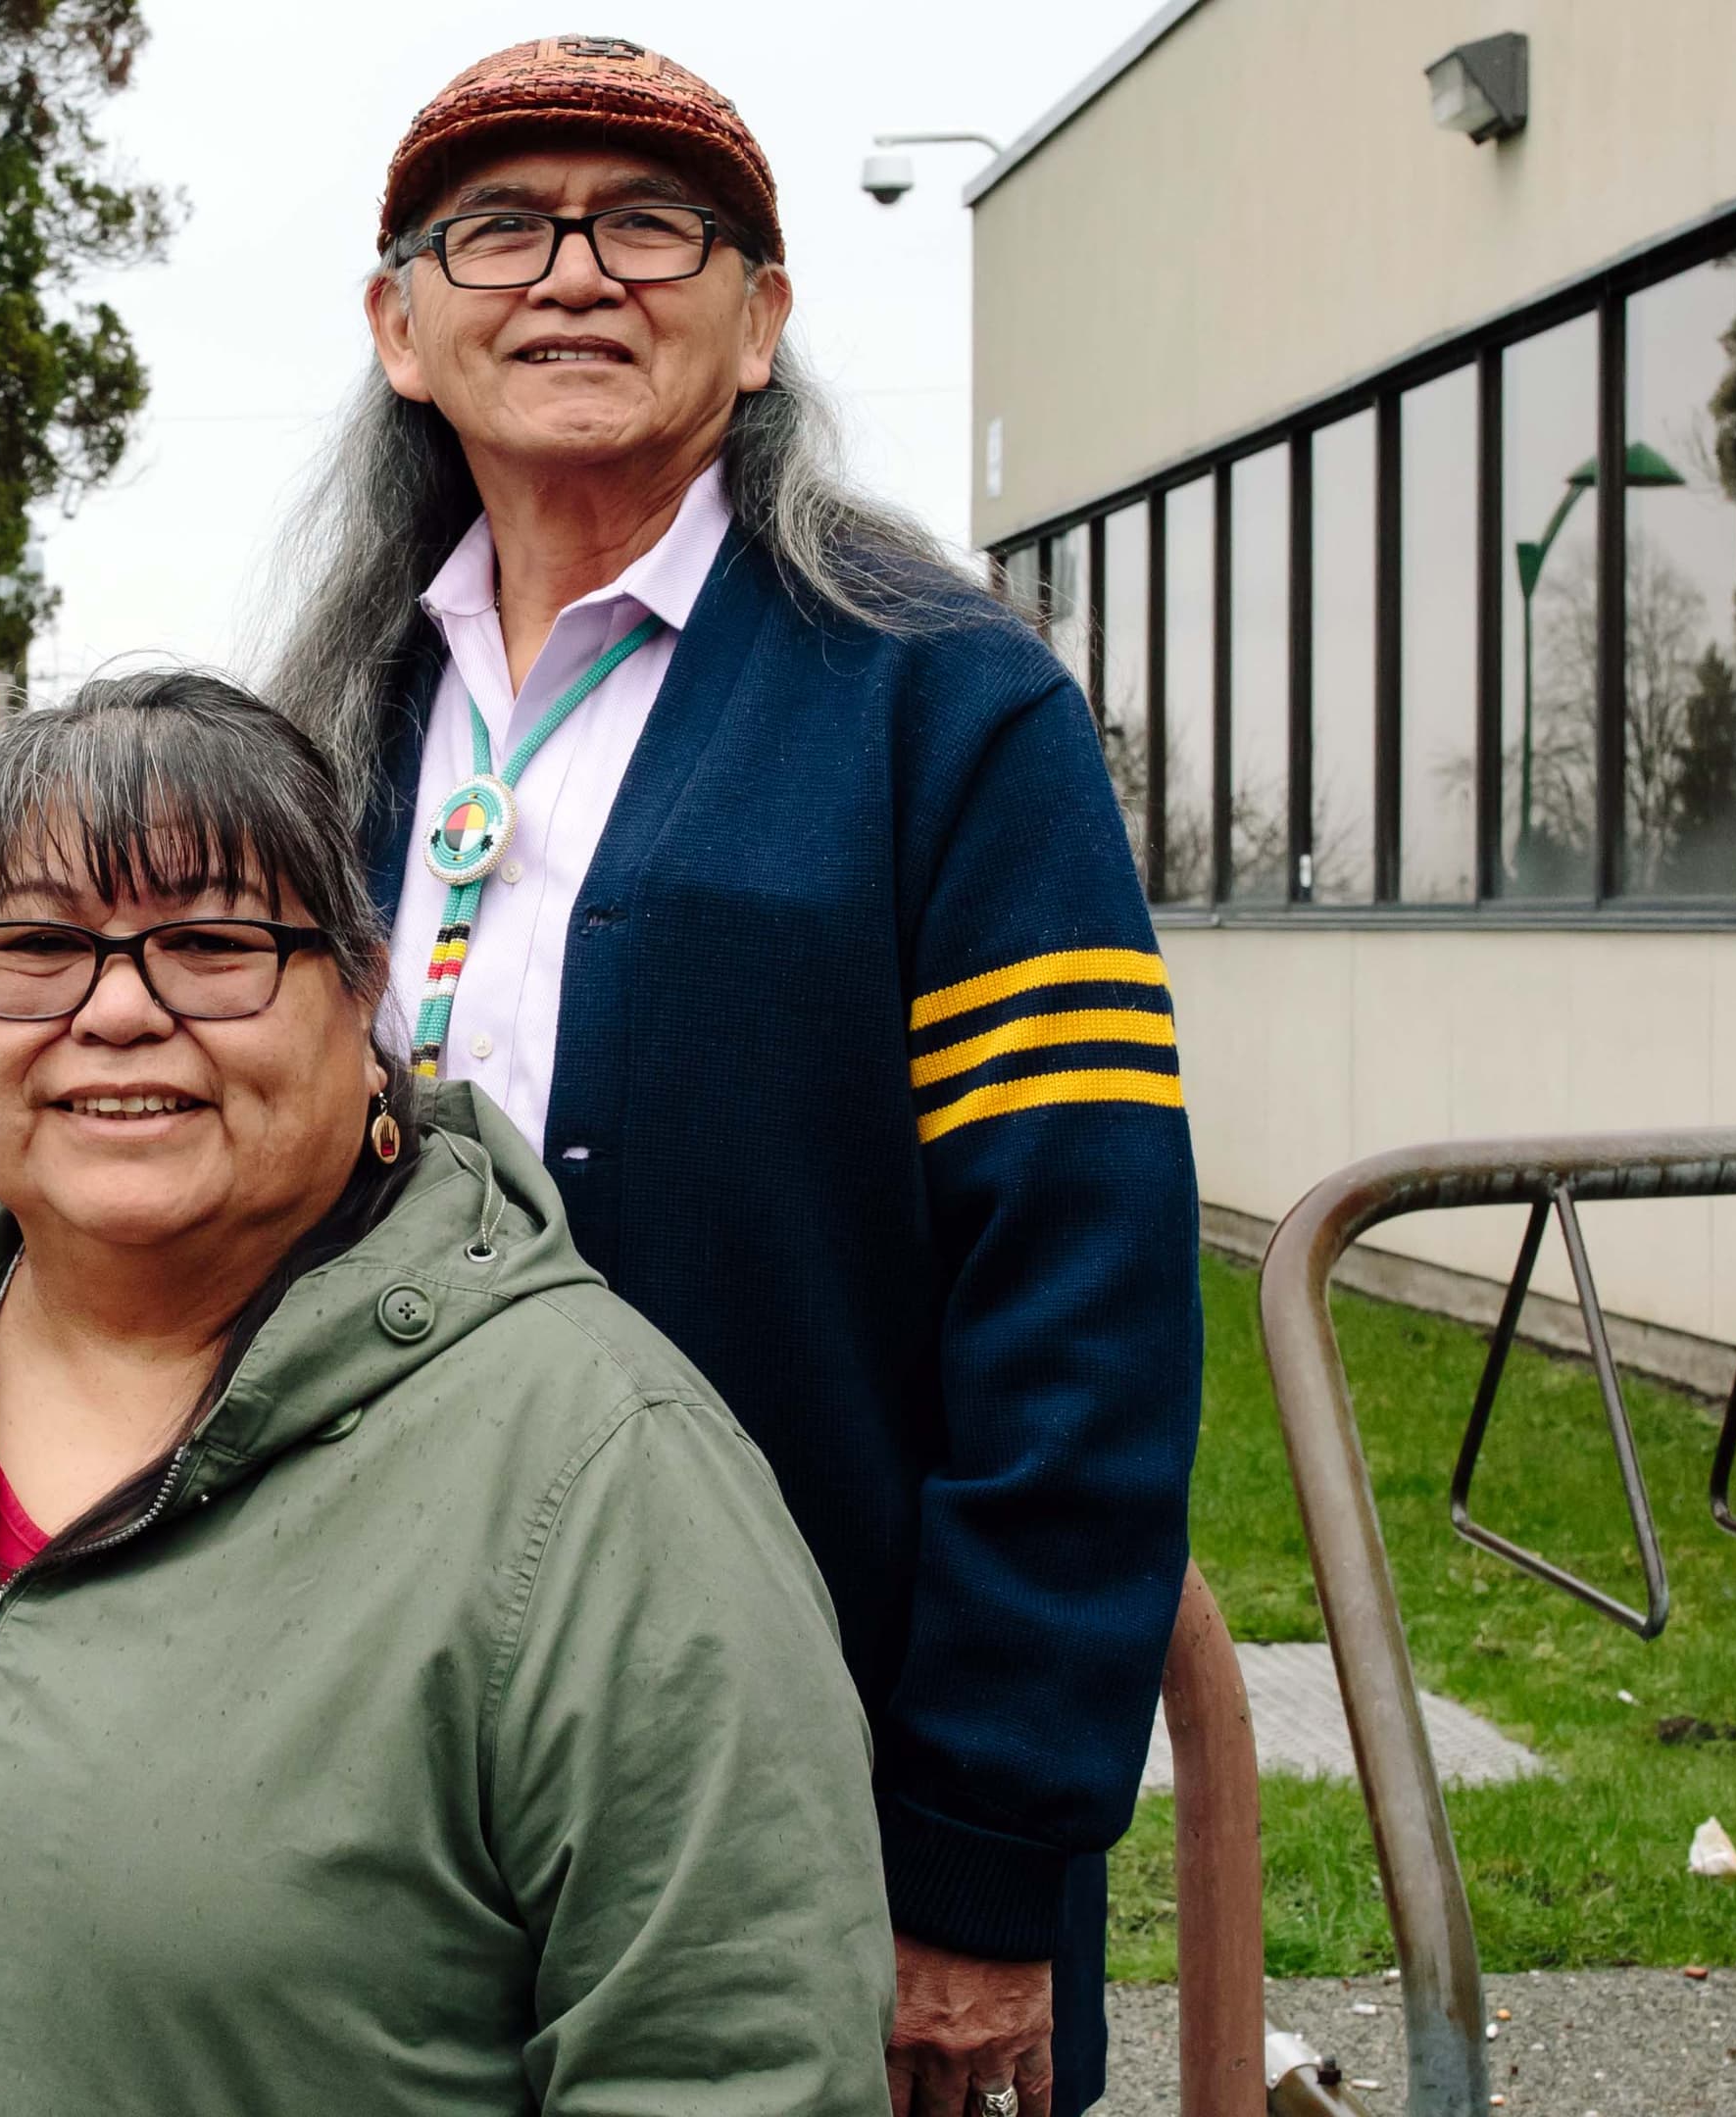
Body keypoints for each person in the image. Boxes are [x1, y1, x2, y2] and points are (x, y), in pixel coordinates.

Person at [268, 38, 1203, 2117]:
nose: (575, 273)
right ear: (400, 326)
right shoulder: (335, 725)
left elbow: (1084, 1302)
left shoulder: (943, 707)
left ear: (763, 317)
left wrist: (978, 1863)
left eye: (652, 223)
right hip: (377, 1748)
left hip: (812, 1769)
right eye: (500, 226)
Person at [0, 675, 892, 2117]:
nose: (116, 1010)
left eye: (210, 943)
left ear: (361, 990)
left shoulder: (604, 1477)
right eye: (37, 947)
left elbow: (733, 2072)